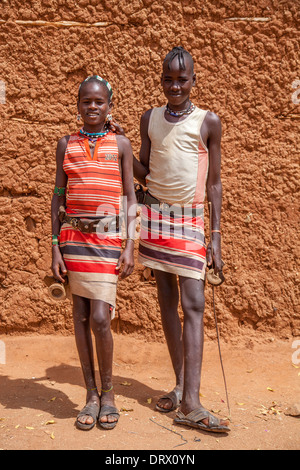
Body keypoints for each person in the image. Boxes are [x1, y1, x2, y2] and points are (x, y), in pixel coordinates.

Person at [133, 47, 230, 433]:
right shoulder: (150, 119)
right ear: (161, 80)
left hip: (189, 221)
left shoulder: (208, 122)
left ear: (193, 80)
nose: (175, 86)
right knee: (167, 301)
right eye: (168, 79)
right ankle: (180, 387)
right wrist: (122, 148)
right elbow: (144, 170)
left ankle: (191, 401)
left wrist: (217, 237)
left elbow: (215, 183)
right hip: (155, 217)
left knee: (194, 302)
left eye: (182, 79)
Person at [51, 75, 136, 431]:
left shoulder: (121, 145)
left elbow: (131, 197)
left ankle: (110, 393)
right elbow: (57, 195)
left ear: (109, 107)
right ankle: (90, 394)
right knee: (81, 316)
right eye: (86, 101)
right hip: (73, 240)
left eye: (99, 102)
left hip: (108, 240)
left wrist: (131, 244)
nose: (92, 107)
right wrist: (54, 247)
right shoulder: (64, 144)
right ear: (78, 105)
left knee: (101, 318)